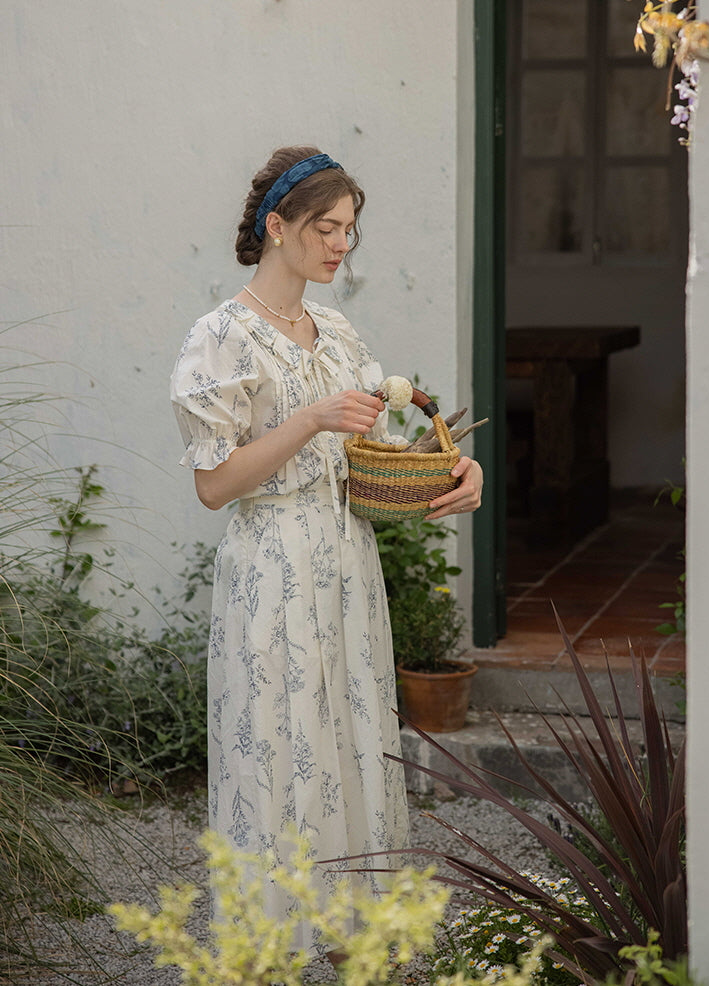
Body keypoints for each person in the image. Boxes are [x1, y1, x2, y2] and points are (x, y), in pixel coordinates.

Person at [170, 145, 483, 958]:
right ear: (278, 226)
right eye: (326, 226)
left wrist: (456, 469)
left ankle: (348, 938)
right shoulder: (221, 338)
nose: (341, 243)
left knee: (346, 739)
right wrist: (306, 419)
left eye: (349, 229)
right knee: (274, 744)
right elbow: (213, 486)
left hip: (346, 562)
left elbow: (376, 460)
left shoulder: (339, 333)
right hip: (270, 567)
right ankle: (268, 948)